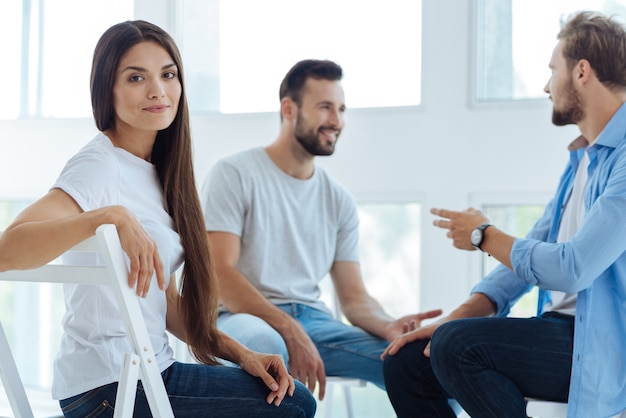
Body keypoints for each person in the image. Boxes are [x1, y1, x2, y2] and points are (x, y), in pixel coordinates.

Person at [0, 20, 316, 418]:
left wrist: (242, 354)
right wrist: (111, 218)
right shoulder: (99, 166)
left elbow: (162, 303)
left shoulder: (156, 172)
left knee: (284, 394)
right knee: (296, 406)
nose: (158, 91)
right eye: (136, 78)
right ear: (106, 89)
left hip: (145, 375)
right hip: (111, 387)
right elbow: (6, 250)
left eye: (168, 74)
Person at [381, 10, 626, 418]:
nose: (548, 86)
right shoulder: (583, 159)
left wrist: (483, 235)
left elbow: (574, 267)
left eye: (554, 70)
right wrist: (455, 317)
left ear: (582, 72)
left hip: (603, 346)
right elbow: (529, 257)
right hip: (559, 333)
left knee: (458, 348)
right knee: (406, 363)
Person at [200, 58, 442, 401]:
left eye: (342, 109)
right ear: (289, 109)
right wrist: (287, 327)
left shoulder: (338, 199)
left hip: (313, 323)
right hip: (241, 317)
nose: (337, 121)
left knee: (422, 364)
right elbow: (220, 275)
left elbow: (354, 299)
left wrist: (389, 326)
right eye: (325, 107)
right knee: (267, 348)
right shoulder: (234, 174)